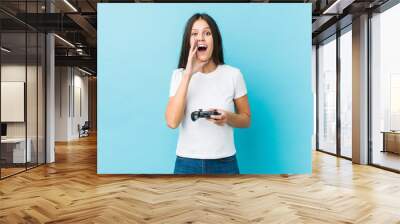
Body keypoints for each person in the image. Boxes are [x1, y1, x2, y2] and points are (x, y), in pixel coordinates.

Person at [165, 13, 251, 174]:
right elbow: (172, 122)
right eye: (194, 34)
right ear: (188, 42)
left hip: (225, 163)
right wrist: (188, 74)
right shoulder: (179, 75)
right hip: (186, 163)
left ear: (215, 40)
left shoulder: (233, 74)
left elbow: (246, 120)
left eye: (207, 33)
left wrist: (228, 117)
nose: (201, 38)